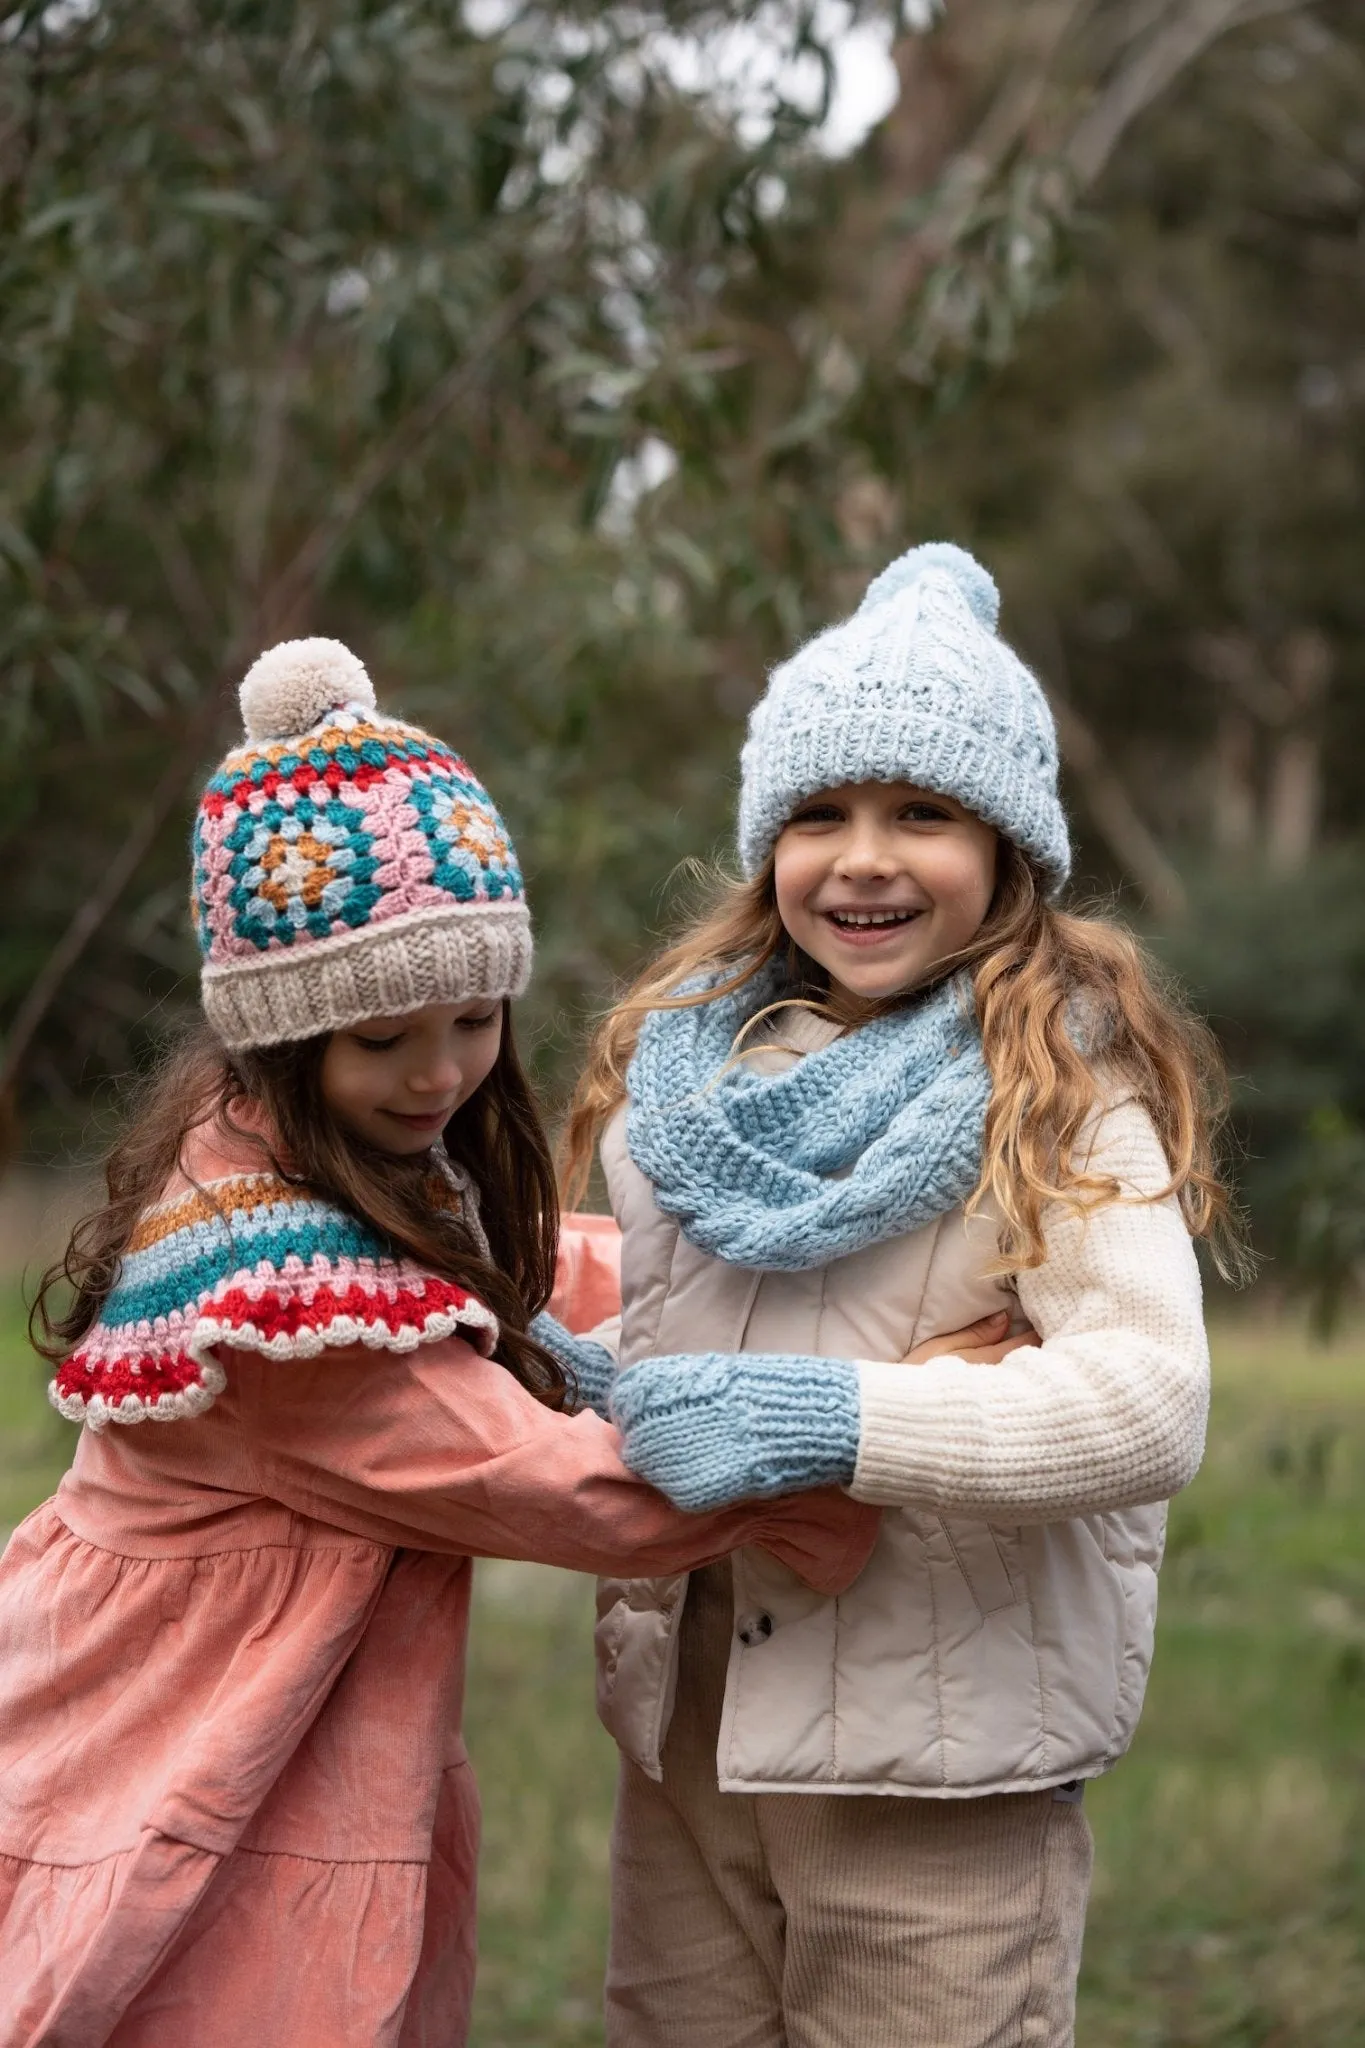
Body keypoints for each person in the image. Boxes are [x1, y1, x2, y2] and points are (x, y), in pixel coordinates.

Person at [0, 639, 878, 2048]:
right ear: (278, 1042)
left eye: (475, 1020)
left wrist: (749, 1265)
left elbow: (525, 1287)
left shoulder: (346, 1165)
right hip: (165, 1728)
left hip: (288, 1722)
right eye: (384, 1039)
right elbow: (561, 1485)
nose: (439, 1074)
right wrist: (851, 1436)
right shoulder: (281, 1310)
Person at [550, 543, 1245, 2048]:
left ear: (1008, 849)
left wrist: (831, 1417)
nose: (862, 856)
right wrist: (569, 1364)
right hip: (692, 1746)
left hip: (937, 1776)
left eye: (920, 812)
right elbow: (681, 1344)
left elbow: (1147, 1400)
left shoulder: (1056, 1085)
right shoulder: (692, 1080)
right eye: (819, 814)